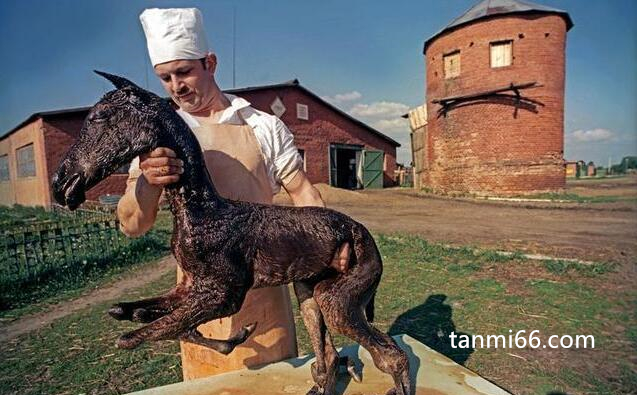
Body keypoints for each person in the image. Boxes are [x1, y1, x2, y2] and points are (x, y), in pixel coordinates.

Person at [116, 7, 349, 380]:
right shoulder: (157, 137)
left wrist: (328, 245)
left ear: (210, 62)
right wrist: (146, 180)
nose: (176, 86)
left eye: (184, 71)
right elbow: (132, 224)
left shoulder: (262, 126)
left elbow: (302, 191)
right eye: (165, 78)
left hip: (265, 290)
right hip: (195, 298)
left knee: (275, 383)